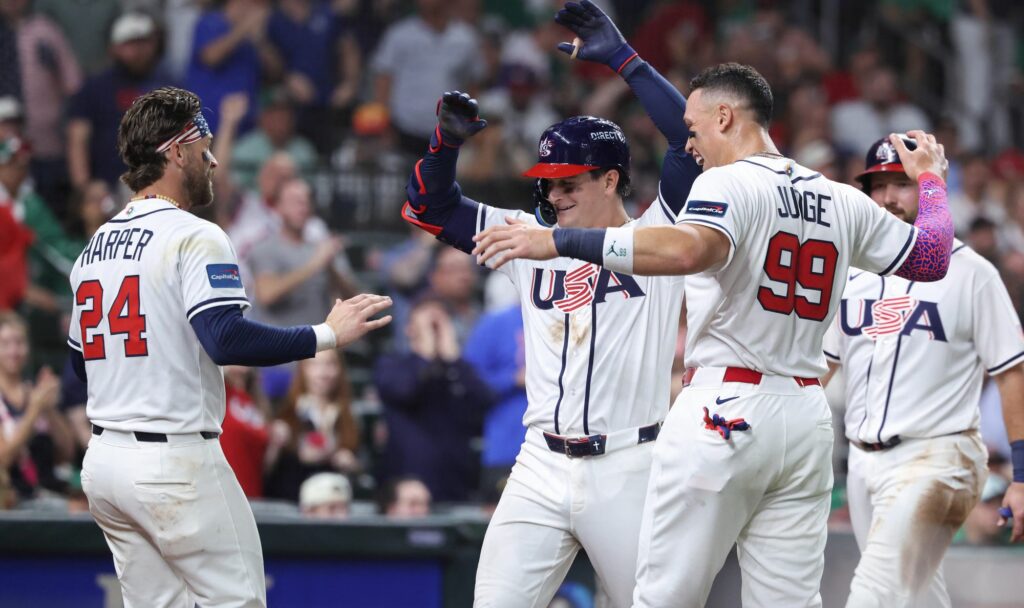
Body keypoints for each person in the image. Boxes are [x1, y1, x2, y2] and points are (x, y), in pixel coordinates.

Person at [475, 21, 957, 608]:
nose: (690, 143)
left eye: (695, 128)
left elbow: (687, 251)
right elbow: (931, 258)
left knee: (663, 597)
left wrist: (559, 241)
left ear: (725, 118)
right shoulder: (839, 196)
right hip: (804, 415)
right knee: (788, 602)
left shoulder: (726, 183)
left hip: (724, 408)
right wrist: (930, 182)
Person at [400, 2, 700, 604]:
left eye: (569, 182)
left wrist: (626, 60)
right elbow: (429, 207)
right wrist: (444, 144)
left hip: (630, 462)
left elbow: (687, 138)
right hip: (539, 463)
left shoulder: (659, 232)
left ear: (610, 179)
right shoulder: (525, 236)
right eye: (549, 182)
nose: (554, 194)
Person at [67, 86, 391, 608]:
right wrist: (326, 334)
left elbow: (81, 364)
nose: (213, 160)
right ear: (176, 151)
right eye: (204, 146)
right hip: (174, 461)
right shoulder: (196, 234)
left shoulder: (94, 248)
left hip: (106, 463)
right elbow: (225, 339)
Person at [821, 136, 1024, 607]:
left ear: (930, 189)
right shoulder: (851, 273)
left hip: (937, 458)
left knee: (872, 596)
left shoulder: (972, 273)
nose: (888, 198)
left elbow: (1012, 372)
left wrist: (1022, 476)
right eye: (878, 186)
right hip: (863, 462)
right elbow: (822, 368)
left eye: (902, 183)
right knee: (915, 597)